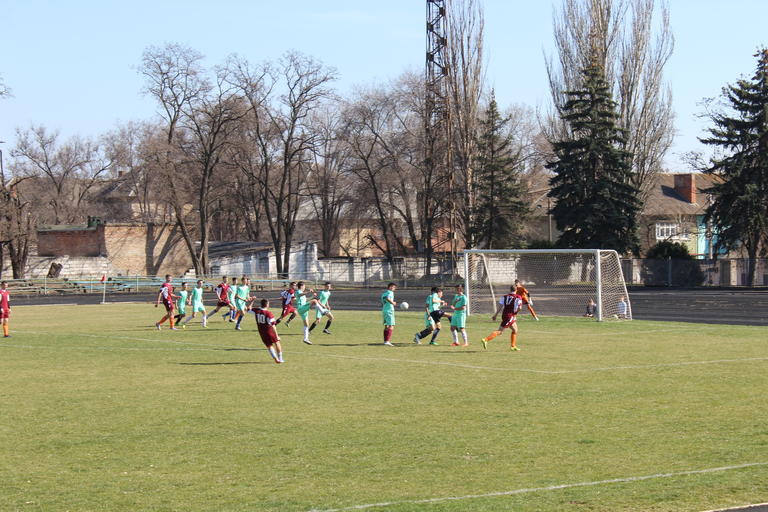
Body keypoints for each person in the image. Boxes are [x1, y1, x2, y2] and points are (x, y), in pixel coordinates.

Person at [481, 285, 523, 351]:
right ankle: (486, 339)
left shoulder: (505, 297)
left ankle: (513, 346)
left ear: (510, 290)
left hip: (505, 315)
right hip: (510, 316)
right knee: (500, 331)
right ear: (516, 290)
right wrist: (515, 313)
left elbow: (500, 306)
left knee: (515, 330)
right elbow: (520, 308)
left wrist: (495, 315)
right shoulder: (518, 297)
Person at [252, 299, 284, 364]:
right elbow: (273, 326)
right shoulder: (268, 313)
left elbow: (248, 309)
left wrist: (252, 301)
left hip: (261, 332)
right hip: (269, 331)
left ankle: (275, 358)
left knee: (269, 346)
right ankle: (280, 358)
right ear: (267, 305)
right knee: (277, 342)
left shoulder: (256, 311)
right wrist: (277, 335)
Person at [381, 282, 397, 346]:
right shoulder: (390, 292)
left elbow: (382, 303)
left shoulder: (383, 294)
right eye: (394, 287)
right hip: (389, 311)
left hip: (384, 310)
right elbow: (388, 298)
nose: (394, 289)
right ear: (390, 287)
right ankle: (387, 341)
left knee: (386, 326)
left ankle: (385, 341)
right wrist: (393, 303)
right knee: (391, 325)